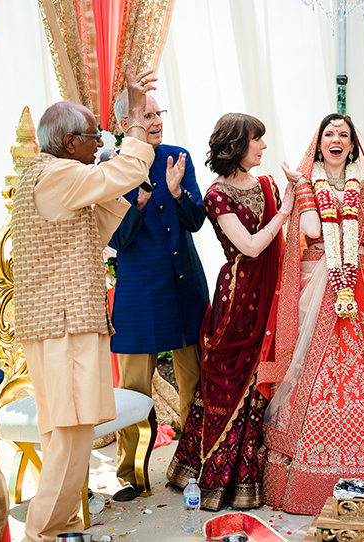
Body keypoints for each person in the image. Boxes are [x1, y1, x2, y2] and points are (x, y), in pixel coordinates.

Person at [11, 71, 156, 541]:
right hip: (64, 324)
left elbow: (92, 233)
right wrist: (134, 118)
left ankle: (66, 526)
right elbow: (127, 171)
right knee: (72, 437)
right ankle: (42, 533)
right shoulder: (57, 174)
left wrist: (120, 191)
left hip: (57, 324)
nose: (100, 143)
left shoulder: (50, 177)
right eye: (95, 136)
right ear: (70, 141)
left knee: (64, 436)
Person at [259, 113, 364, 515]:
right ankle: (309, 475)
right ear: (319, 142)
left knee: (360, 370)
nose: (337, 139)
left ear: (354, 144)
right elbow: (310, 228)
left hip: (356, 288)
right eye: (329, 134)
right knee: (316, 368)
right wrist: (307, 187)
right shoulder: (309, 183)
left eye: (344, 134)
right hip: (319, 288)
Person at [167, 113, 292, 510]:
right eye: (258, 139)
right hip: (238, 298)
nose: (264, 147)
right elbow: (251, 247)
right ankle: (217, 475)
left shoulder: (269, 185)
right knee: (230, 378)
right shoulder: (217, 194)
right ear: (237, 146)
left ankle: (253, 474)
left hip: (270, 294)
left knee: (263, 381)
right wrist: (284, 212)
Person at [108, 90, 210, 502]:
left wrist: (178, 192)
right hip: (140, 294)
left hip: (184, 288)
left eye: (158, 113)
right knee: (134, 389)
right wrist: (141, 201)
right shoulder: (111, 167)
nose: (155, 121)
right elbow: (118, 239)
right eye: (145, 115)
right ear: (124, 125)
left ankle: (194, 461)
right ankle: (131, 473)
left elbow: (197, 220)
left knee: (195, 382)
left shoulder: (178, 156)